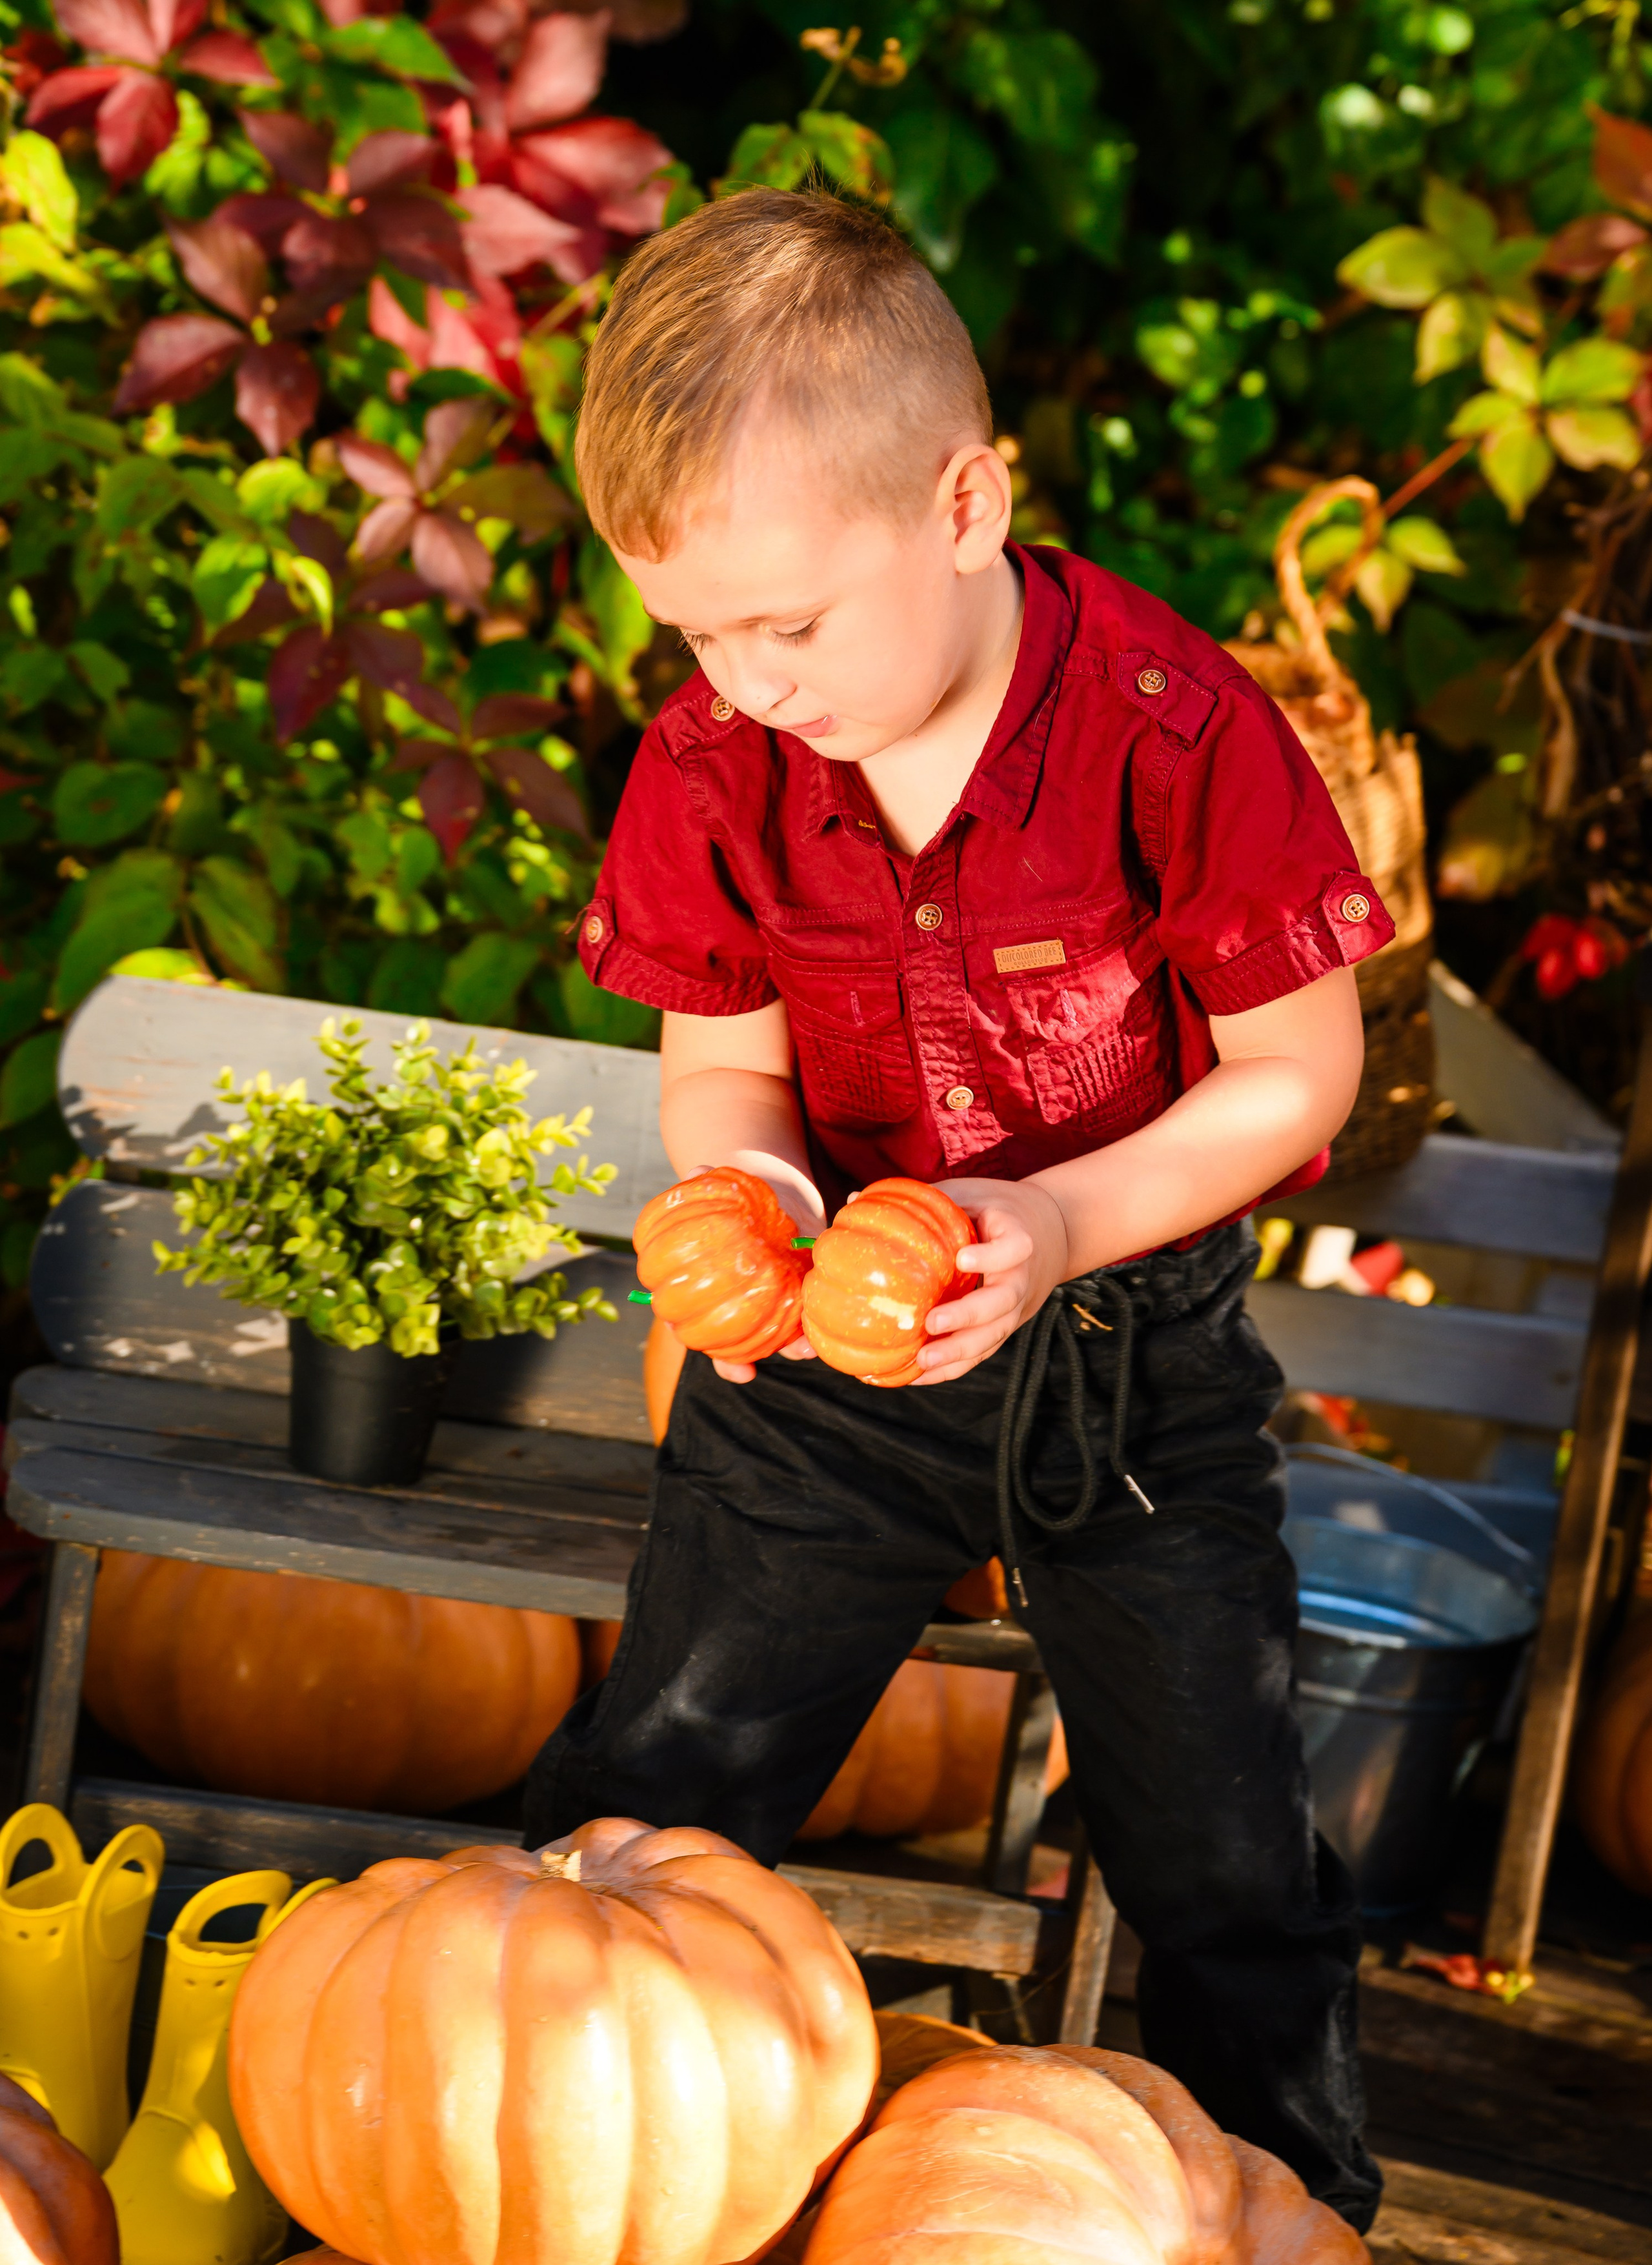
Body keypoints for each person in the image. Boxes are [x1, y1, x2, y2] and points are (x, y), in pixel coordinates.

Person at [523, 185, 1386, 2231]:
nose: (746, 679)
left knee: (1222, 1840)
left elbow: (1296, 1072)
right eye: (697, 633)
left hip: (1128, 1370)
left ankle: (1278, 2206)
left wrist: (1065, 1228)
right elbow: (728, 1058)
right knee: (666, 1773)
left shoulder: (1177, 743)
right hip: (835, 1354)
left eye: (790, 624)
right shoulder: (718, 763)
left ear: (968, 506)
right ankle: (563, 2143)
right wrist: (740, 1185)